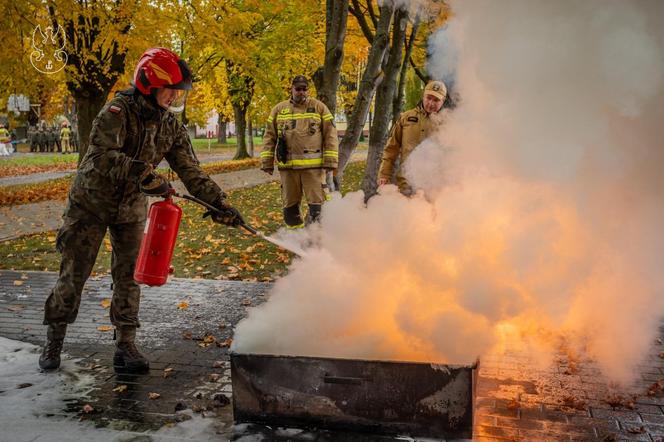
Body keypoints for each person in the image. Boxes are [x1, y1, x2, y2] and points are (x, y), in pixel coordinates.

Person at [39, 47, 243, 373]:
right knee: (73, 275)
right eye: (170, 89)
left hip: (130, 208)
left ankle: (125, 344)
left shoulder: (171, 126)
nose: (176, 96)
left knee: (129, 277)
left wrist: (218, 203)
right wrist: (144, 174)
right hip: (89, 205)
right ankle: (55, 339)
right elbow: (100, 157)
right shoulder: (116, 112)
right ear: (148, 83)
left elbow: (191, 171)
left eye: (179, 91)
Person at [260, 75, 338, 228]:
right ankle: (297, 241)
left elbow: (331, 135)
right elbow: (269, 136)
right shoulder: (278, 110)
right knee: (290, 209)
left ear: (308, 90)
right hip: (288, 169)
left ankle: (318, 244)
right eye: (298, 89)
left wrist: (330, 162)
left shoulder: (319, 107)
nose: (301, 92)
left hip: (313, 170)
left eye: (304, 89)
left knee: (318, 209)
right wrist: (267, 162)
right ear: (292, 89)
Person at [378, 80, 447, 196]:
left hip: (435, 186)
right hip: (406, 183)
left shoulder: (447, 124)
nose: (431, 103)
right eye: (428, 98)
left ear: (443, 101)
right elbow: (391, 148)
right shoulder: (406, 118)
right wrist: (384, 174)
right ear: (423, 95)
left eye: (436, 100)